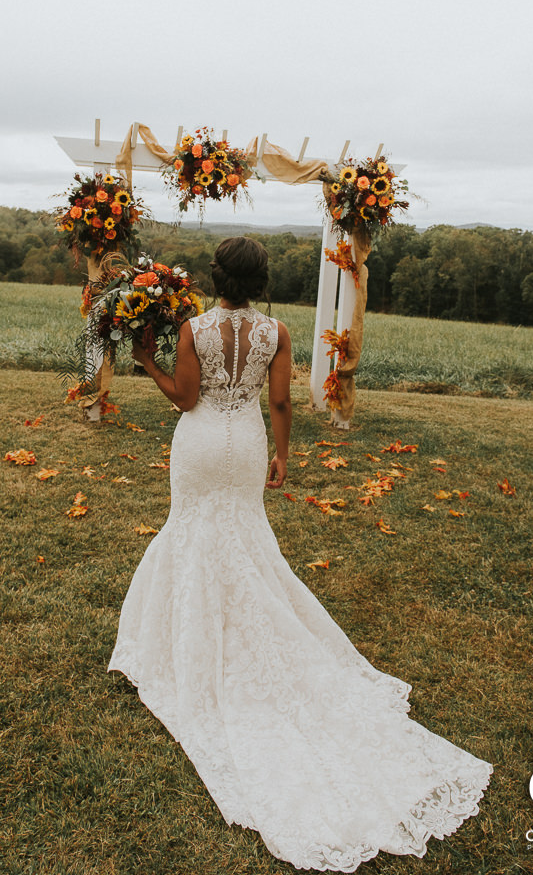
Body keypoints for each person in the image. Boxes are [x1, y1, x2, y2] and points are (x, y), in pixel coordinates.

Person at [109, 236, 492, 869]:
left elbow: (184, 398)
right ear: (261, 280)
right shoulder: (277, 333)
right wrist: (285, 454)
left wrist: (145, 361)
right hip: (248, 440)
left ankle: (185, 644)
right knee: (244, 537)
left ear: (214, 277)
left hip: (200, 444)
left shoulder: (192, 329)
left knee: (194, 530)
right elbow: (281, 400)